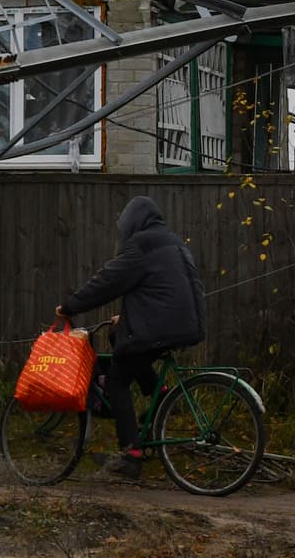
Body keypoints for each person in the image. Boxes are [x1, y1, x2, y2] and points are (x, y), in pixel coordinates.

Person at [55, 195, 206, 481]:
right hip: (186, 322)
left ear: (134, 222)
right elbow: (160, 291)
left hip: (161, 326)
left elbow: (107, 282)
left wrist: (70, 306)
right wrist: (124, 319)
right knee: (119, 337)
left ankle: (131, 455)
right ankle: (161, 396)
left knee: (116, 381)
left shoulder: (141, 246)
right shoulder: (172, 242)